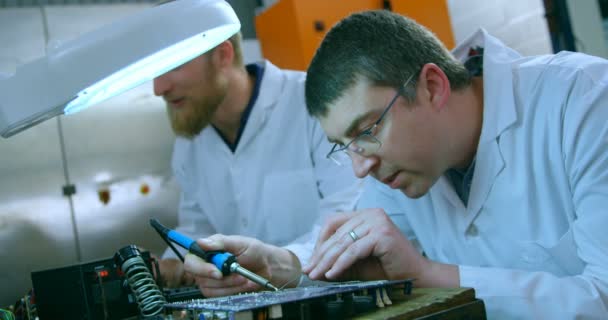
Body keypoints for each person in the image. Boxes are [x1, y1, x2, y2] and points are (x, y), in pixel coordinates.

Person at [182, 10, 608, 319]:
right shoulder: (398, 171)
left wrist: (426, 274)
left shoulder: (584, 102)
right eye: (342, 145)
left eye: (366, 131)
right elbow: (349, 244)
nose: (359, 169)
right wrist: (279, 265)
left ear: (432, 86)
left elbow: (602, 300)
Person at [152, 29, 361, 288]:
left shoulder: (312, 103)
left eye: (172, 66)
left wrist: (282, 265)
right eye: (154, 71)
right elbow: (198, 228)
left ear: (222, 55)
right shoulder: (188, 144)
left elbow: (351, 217)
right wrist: (172, 264)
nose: (158, 88)